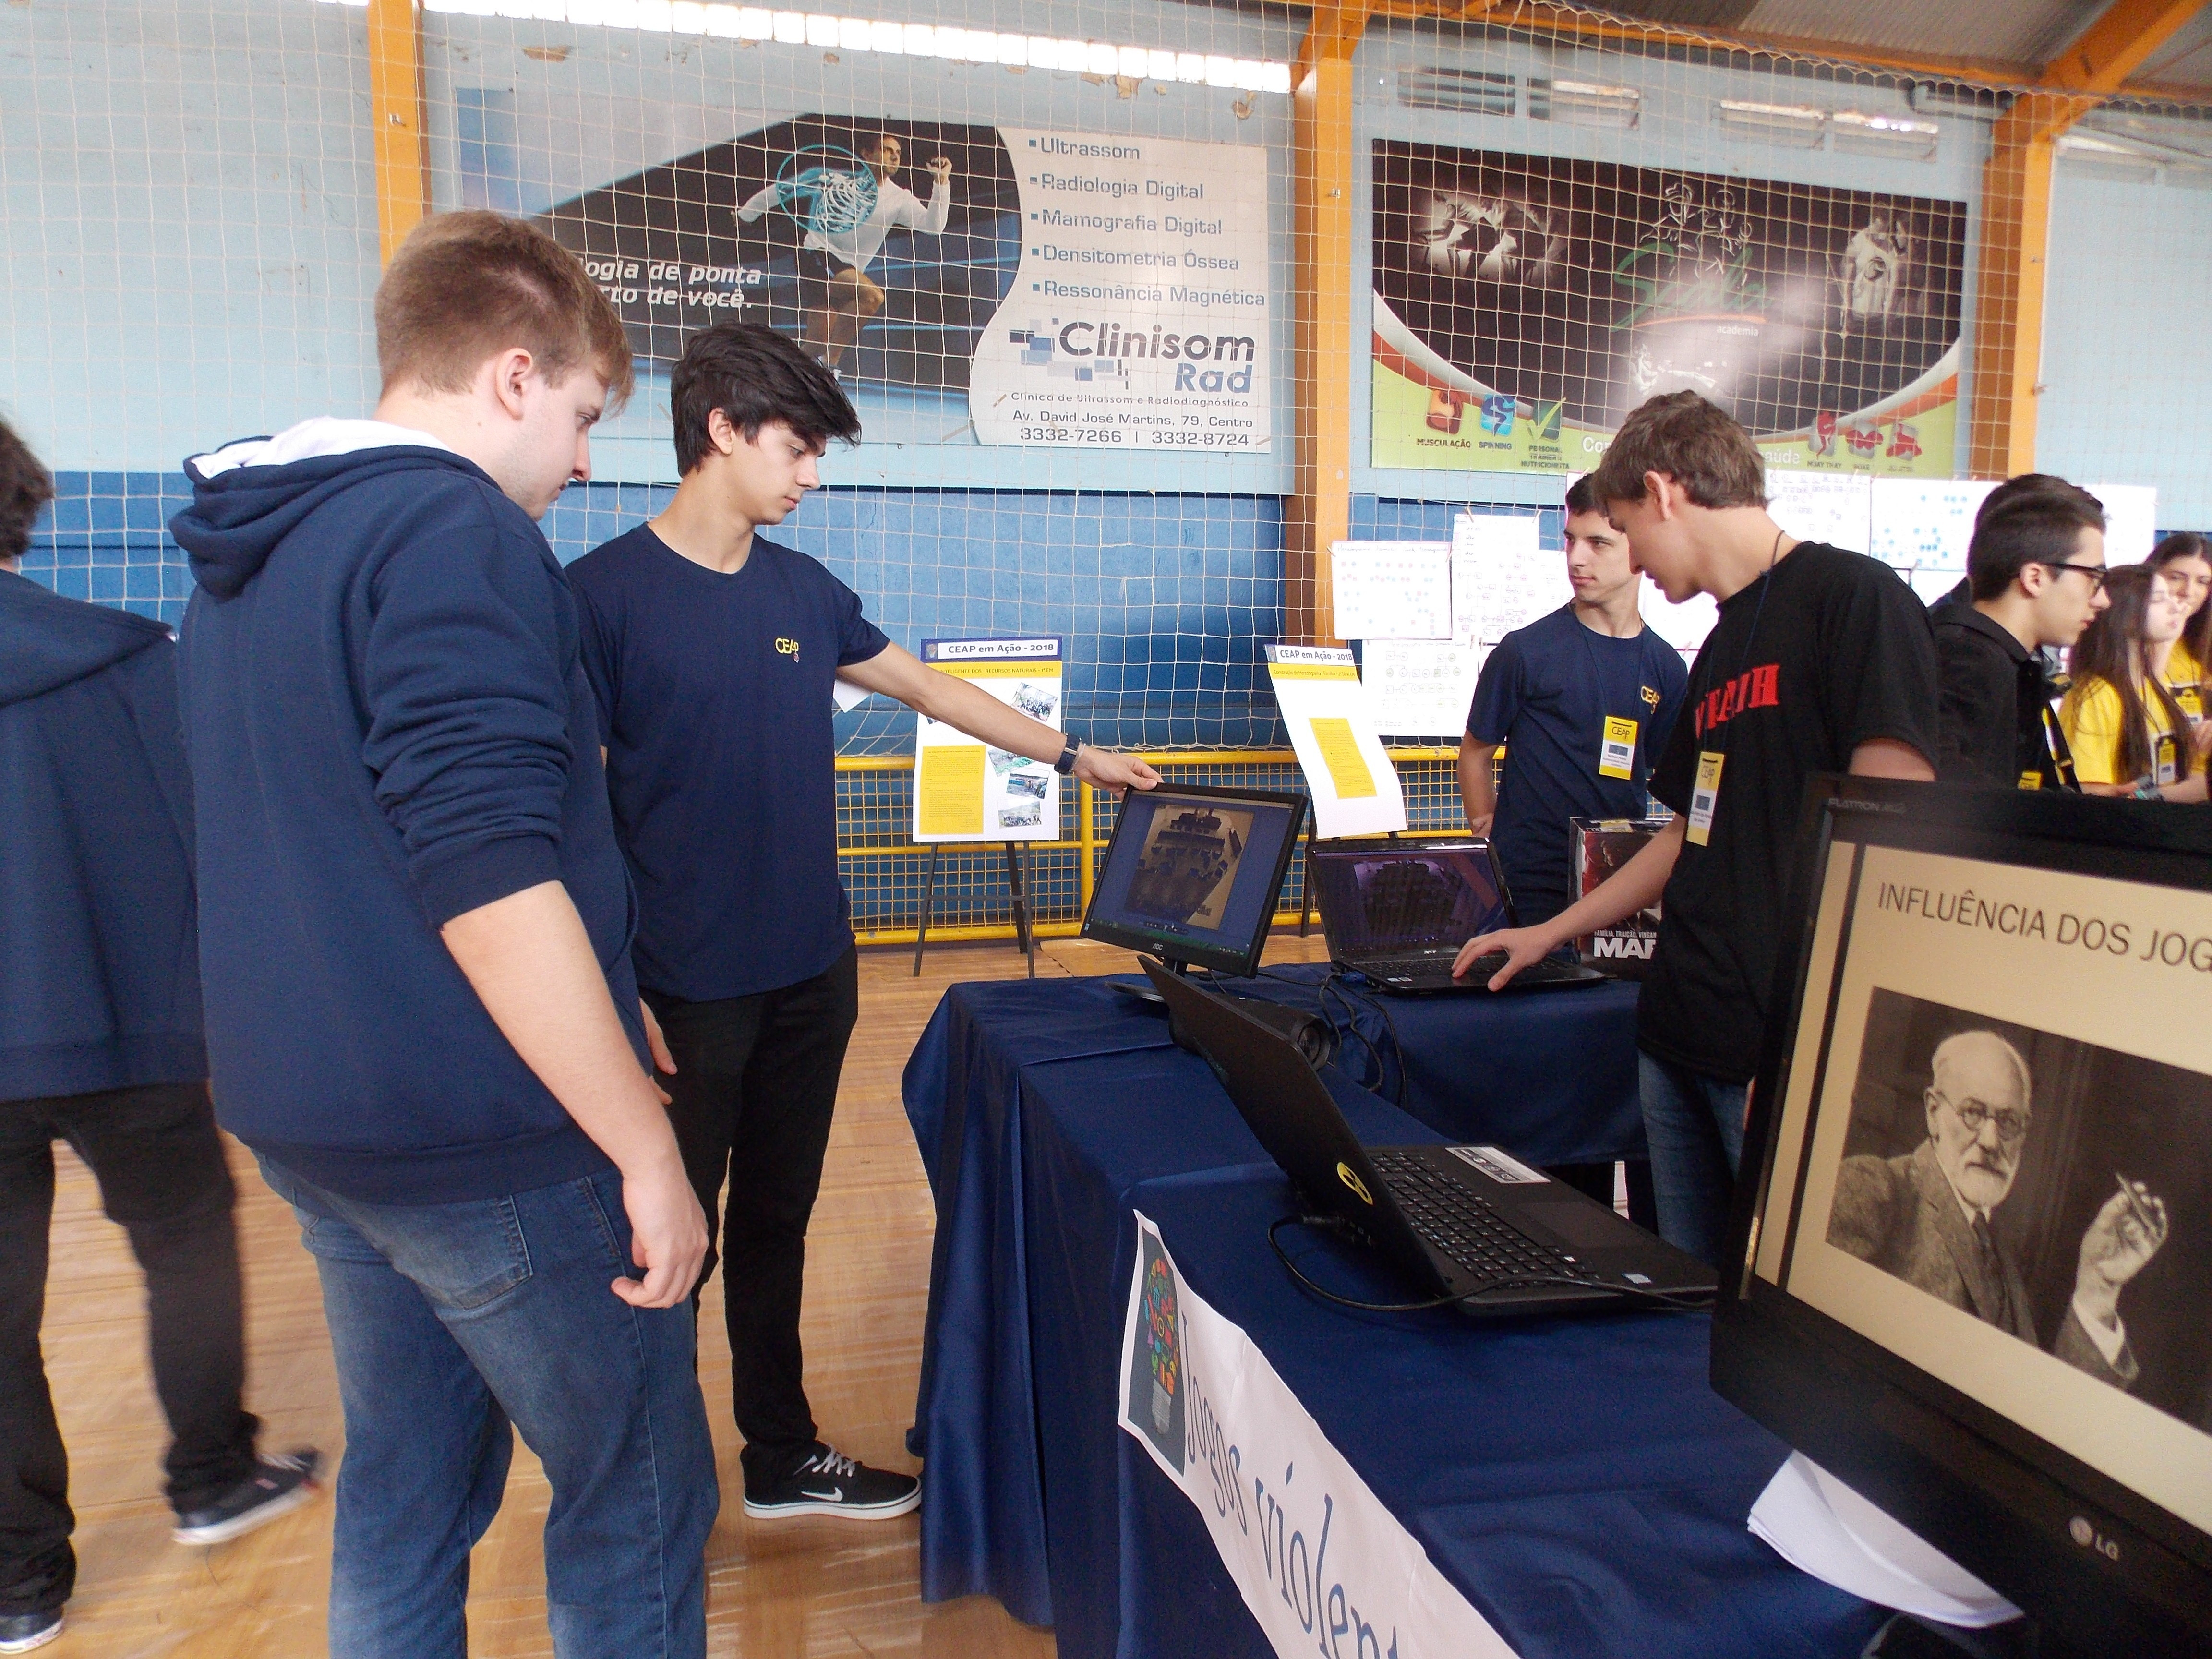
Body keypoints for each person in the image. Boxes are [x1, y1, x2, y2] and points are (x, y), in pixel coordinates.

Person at [169, 212, 718, 1659]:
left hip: (318, 1125)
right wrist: (645, 1146)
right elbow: (485, 873)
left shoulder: (257, 550)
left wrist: (598, 985)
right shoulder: (453, 531)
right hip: (483, 1141)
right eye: (586, 416)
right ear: (514, 375)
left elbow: (347, 843)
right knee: (634, 1501)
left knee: (406, 1493)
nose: (585, 461)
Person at [566, 321, 1158, 1520]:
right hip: (678, 992)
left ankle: (780, 1452)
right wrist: (606, 980)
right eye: (796, 447)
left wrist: (1076, 755)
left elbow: (929, 687)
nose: (811, 474)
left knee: (777, 1218)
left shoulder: (805, 592)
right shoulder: (599, 599)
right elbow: (568, 806)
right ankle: (645, 1494)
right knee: (667, 1240)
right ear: (722, 429)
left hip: (809, 974)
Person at [1454, 391, 1940, 1267]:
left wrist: (1811, 1046)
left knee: (1770, 1299)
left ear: (1661, 493)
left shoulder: (1852, 600)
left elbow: (1891, 849)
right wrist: (1548, 933)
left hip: (1769, 1049)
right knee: (1683, 1296)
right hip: (1676, 1032)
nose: (1627, 556)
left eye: (1622, 530)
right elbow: (1683, 838)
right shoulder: (1717, 647)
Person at [0, 423, 318, 1656]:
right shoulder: (132, 657)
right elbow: (218, 842)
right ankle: (212, 1477)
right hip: (133, 1028)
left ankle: (20, 1582)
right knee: (185, 1251)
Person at [1458, 473, 1686, 1218]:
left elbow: (1675, 787)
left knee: (1612, 1071)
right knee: (1543, 1081)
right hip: (1530, 891)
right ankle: (1542, 1222)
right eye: (1569, 540)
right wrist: (1486, 824)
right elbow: (1475, 751)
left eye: (1598, 543)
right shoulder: (1527, 652)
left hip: (1619, 898)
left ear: (1638, 548)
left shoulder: (1666, 668)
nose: (1577, 558)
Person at [1829, 1032, 2168, 1389]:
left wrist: (2097, 1287)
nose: (1991, 1141)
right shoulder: (1874, 1190)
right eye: (1973, 1113)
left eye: (2008, 1122)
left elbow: (2039, 1401)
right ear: (1933, 1113)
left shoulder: (2004, 1257)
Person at [1932, 479, 2107, 791]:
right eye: (2092, 578)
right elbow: (1947, 799)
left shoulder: (2005, 661)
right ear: (2035, 578)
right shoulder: (1967, 661)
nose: (2102, 599)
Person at [738, 133, 951, 373]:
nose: (894, 157)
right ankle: (831, 366)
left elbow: (934, 226)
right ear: (867, 154)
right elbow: (781, 191)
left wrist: (941, 182)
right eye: (886, 150)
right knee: (872, 297)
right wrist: (745, 215)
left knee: (816, 344)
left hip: (848, 270)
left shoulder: (899, 199)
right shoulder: (832, 180)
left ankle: (774, 374)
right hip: (818, 254)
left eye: (898, 153)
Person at [2060, 564, 2208, 803]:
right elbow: (2089, 792)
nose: (2176, 607)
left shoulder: (2153, 684)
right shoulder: (2096, 694)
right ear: (2126, 616)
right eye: (2159, 599)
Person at [2146, 531, 2211, 734]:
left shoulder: (2204, 646)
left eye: (2202, 582)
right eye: (2176, 578)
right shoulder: (2125, 646)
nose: (2188, 591)